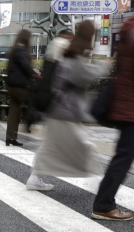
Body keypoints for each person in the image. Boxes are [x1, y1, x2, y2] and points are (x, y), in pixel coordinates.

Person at [25, 20, 106, 192]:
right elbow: (84, 75)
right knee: (84, 146)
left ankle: (34, 178)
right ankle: (101, 183)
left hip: (57, 109)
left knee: (50, 147)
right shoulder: (74, 55)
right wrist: (102, 66)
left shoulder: (69, 51)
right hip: (66, 111)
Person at [91, 18, 134, 221]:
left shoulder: (130, 28)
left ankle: (103, 204)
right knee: (123, 159)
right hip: (131, 107)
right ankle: (103, 205)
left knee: (123, 157)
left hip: (128, 105)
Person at [5, 30, 39, 146]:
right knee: (33, 99)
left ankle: (10, 138)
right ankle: (29, 120)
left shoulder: (15, 49)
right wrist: (35, 73)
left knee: (14, 111)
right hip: (19, 86)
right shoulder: (21, 50)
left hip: (12, 86)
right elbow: (26, 67)